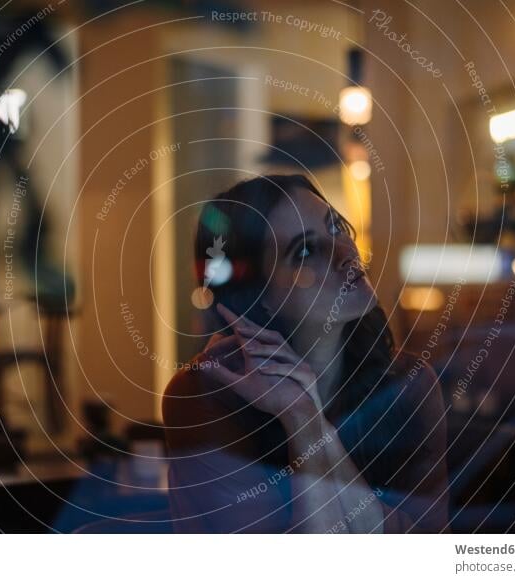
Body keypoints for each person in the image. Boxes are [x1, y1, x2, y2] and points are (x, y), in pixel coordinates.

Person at [162, 174, 450, 533]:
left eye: (335, 227)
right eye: (305, 251)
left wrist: (311, 426)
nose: (346, 254)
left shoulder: (408, 384)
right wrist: (300, 418)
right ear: (257, 297)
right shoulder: (203, 395)